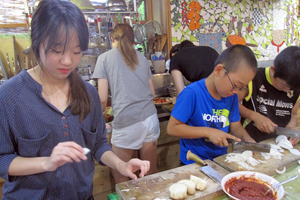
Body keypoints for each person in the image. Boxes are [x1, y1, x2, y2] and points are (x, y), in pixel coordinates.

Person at [0, 1, 150, 199]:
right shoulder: (10, 95)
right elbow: (3, 159)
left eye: (76, 52)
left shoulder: (88, 93)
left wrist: (121, 164)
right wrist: (46, 162)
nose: (68, 61)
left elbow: (97, 144)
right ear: (37, 42)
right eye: (56, 50)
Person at [167, 45, 257, 165]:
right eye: (235, 85)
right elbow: (172, 128)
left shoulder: (231, 96)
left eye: (241, 88)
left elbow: (236, 126)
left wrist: (247, 139)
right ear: (219, 70)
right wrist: (208, 132)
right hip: (192, 162)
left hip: (219, 161)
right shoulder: (192, 93)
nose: (236, 91)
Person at [92, 24, 160, 183]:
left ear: (111, 39)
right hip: (150, 118)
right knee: (150, 174)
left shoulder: (104, 58)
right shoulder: (142, 58)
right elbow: (152, 92)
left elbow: (102, 99)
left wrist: (97, 118)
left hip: (127, 122)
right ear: (133, 40)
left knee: (122, 177)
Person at [239, 46, 300, 145]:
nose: (287, 91)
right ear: (273, 70)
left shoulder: (295, 86)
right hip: (251, 140)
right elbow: (233, 104)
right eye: (284, 86)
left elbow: (294, 115)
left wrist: (291, 129)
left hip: (276, 142)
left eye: (291, 89)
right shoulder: (254, 78)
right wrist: (254, 116)